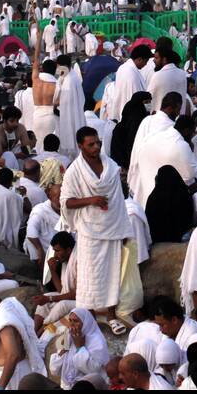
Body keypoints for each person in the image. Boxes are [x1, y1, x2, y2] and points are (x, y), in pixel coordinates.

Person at [60, 126, 131, 333]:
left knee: (112, 273)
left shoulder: (110, 166)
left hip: (111, 227)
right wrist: (92, 199)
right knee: (89, 276)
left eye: (98, 142)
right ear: (80, 146)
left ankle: (111, 315)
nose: (96, 147)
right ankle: (89, 317)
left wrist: (123, 229)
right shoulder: (74, 171)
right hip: (90, 230)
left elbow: (118, 201)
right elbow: (67, 202)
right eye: (91, 144)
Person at [0, 296, 45, 390]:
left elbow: (13, 355)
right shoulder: (10, 311)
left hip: (8, 379)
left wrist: (0, 387)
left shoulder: (2, 317)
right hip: (20, 372)